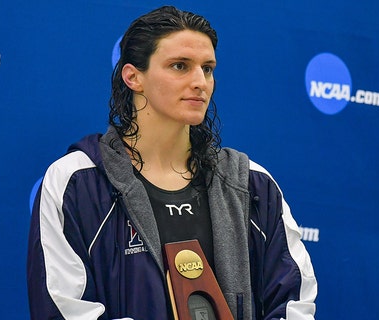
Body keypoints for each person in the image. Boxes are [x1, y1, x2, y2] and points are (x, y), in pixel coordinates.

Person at [26, 6, 317, 320]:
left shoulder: (252, 185)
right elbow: (64, 308)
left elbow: (293, 305)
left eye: (207, 68)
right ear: (133, 77)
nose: (200, 82)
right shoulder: (76, 182)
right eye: (180, 66)